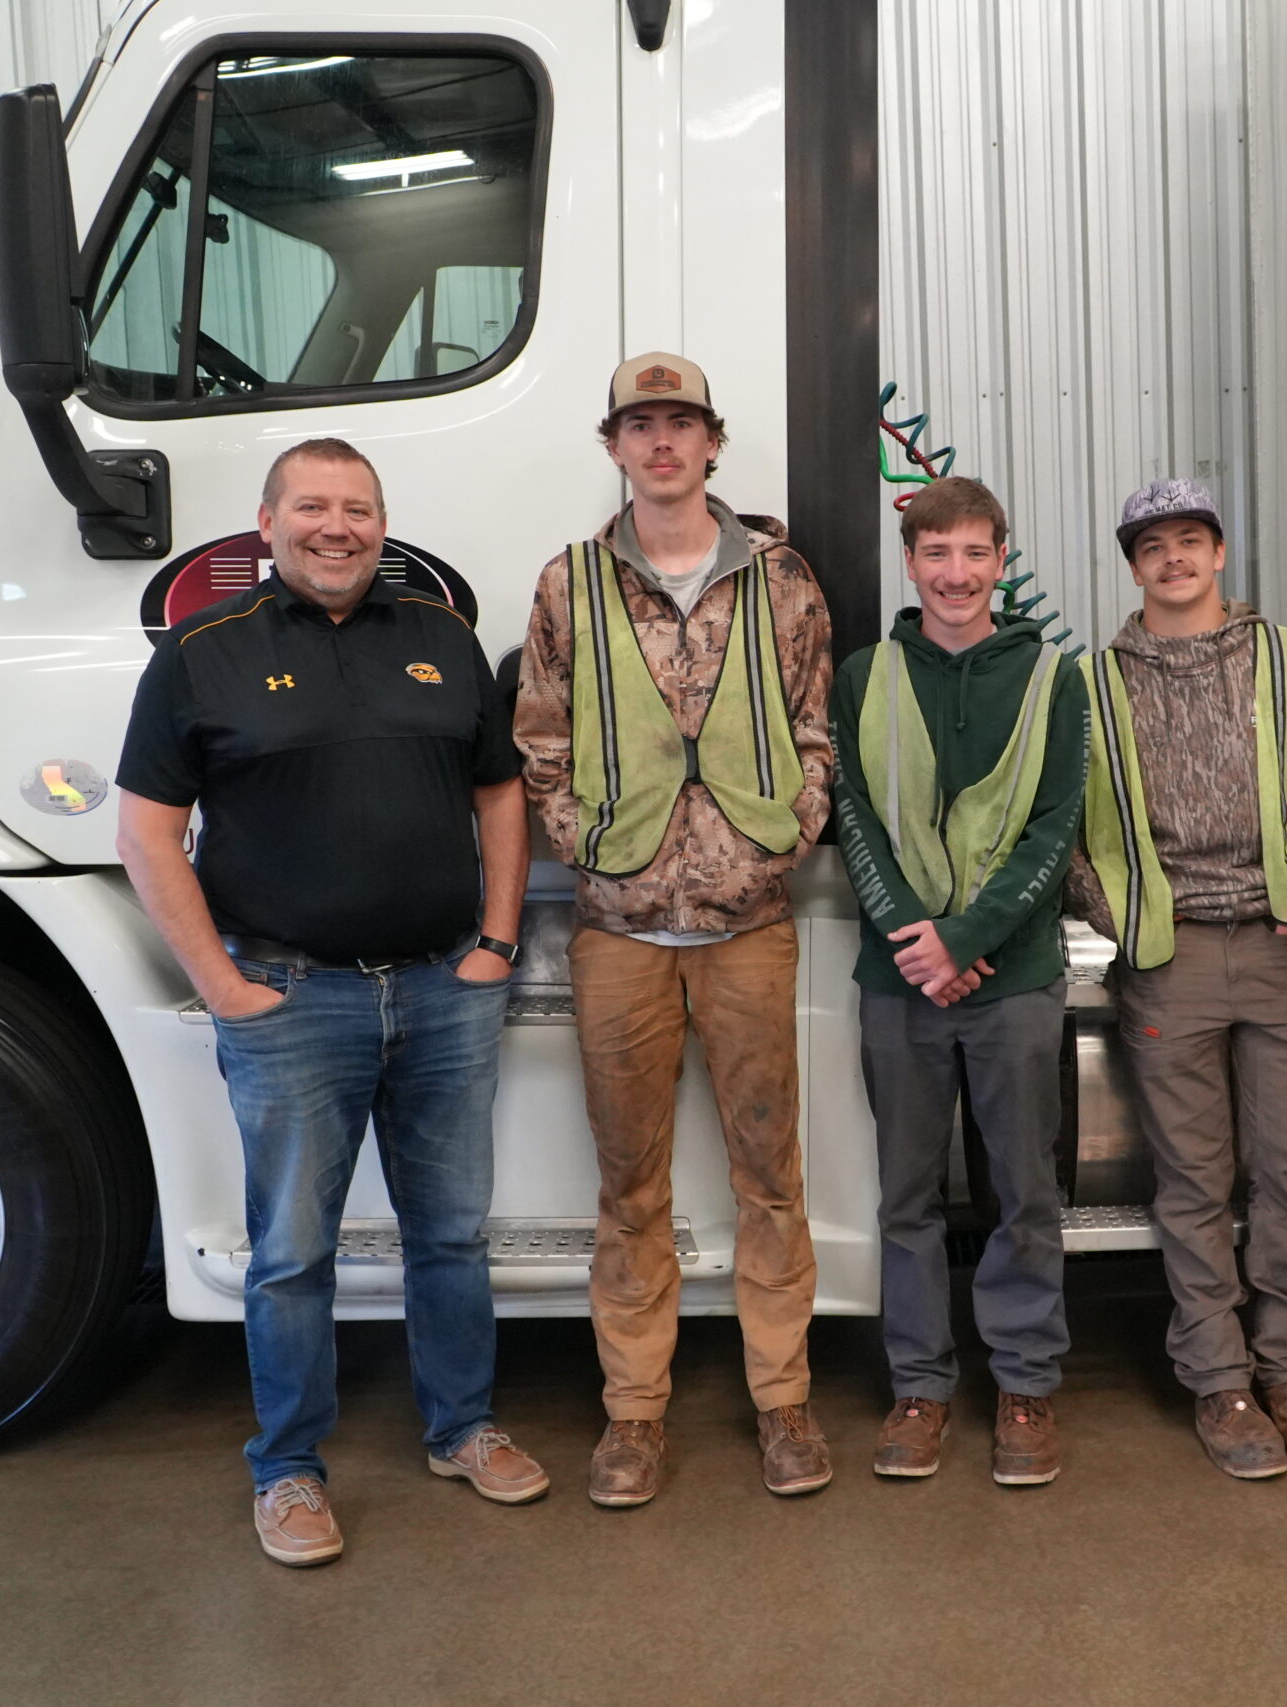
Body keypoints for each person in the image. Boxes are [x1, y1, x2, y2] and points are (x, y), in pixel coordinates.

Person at [114, 438, 542, 1568]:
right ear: (267, 524)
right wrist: (220, 986)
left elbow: (500, 792)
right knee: (292, 1252)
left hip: (446, 991)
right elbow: (146, 831)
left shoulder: (440, 641)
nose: (336, 527)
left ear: (382, 524)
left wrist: (498, 940)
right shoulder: (201, 655)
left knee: (449, 1235)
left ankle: (462, 1428)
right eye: (312, 506)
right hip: (291, 999)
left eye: (358, 508)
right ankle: (291, 1470)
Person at [514, 352, 836, 1505]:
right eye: (639, 426)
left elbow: (814, 730)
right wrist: (594, 851)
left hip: (750, 929)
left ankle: (783, 1405)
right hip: (620, 935)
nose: (661, 444)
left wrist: (777, 843)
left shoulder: (783, 581)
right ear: (613, 446)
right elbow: (540, 739)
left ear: (713, 444)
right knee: (629, 1186)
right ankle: (634, 1417)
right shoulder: (569, 585)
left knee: (769, 1176)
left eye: (680, 425)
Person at [1065, 477, 1287, 1481]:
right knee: (1192, 1182)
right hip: (1168, 959)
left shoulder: (1280, 656)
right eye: (1152, 546)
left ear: (1219, 553)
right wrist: (1129, 920)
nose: (1173, 559)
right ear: (1132, 563)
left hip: (1278, 950)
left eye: (1190, 540)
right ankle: (1219, 1381)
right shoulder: (1094, 682)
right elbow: (1073, 833)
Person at [830, 475, 1087, 1486]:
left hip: (1013, 978)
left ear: (1000, 561)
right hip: (900, 982)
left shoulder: (1052, 680)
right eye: (935, 554)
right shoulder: (865, 674)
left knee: (1023, 1191)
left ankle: (1024, 1386)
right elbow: (851, 815)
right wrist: (914, 938)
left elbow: (1054, 825)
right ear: (910, 562)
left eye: (975, 553)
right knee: (906, 1197)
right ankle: (920, 1388)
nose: (955, 573)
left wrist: (969, 936)